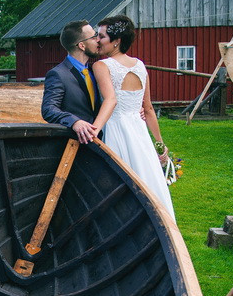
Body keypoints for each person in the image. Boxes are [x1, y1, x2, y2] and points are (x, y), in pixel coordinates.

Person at [91, 15, 176, 218]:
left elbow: (110, 101)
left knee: (118, 180)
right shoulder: (140, 65)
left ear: (117, 41)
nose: (97, 40)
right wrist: (159, 144)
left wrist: (94, 131)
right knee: (146, 178)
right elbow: (148, 109)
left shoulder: (102, 66)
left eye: (101, 36)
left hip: (116, 128)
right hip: (139, 131)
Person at [41, 20, 116, 144]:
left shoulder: (96, 71)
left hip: (104, 139)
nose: (98, 40)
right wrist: (74, 122)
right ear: (82, 45)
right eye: (94, 37)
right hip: (75, 143)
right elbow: (49, 109)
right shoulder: (58, 74)